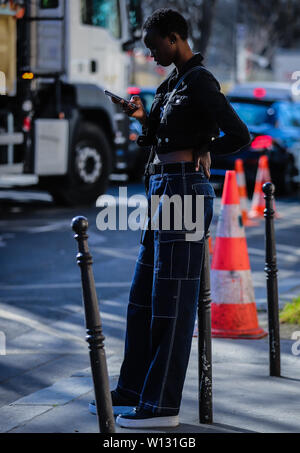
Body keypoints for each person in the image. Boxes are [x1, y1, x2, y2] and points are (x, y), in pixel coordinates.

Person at [89, 8, 251, 429]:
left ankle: (161, 406)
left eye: (154, 45)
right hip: (161, 190)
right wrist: (142, 117)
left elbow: (239, 134)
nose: (151, 54)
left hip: (185, 191)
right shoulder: (173, 83)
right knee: (143, 298)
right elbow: (160, 134)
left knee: (172, 305)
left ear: (175, 38)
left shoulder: (199, 80)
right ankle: (133, 391)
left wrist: (204, 146)